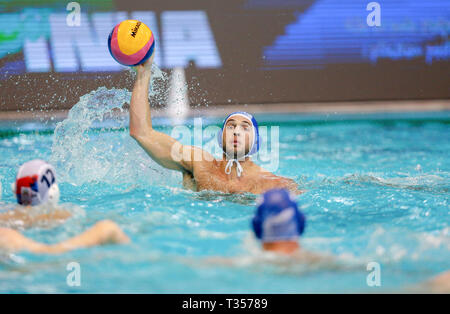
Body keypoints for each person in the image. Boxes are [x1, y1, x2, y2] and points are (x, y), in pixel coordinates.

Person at [129, 53, 299, 194]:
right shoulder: (199, 164)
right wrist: (143, 74)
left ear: (256, 142)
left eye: (245, 128)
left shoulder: (274, 184)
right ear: (220, 137)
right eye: (231, 126)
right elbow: (141, 133)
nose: (236, 132)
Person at [0, 160, 129, 254]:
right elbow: (49, 256)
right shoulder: (68, 214)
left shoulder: (7, 219)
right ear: (53, 192)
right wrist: (102, 232)